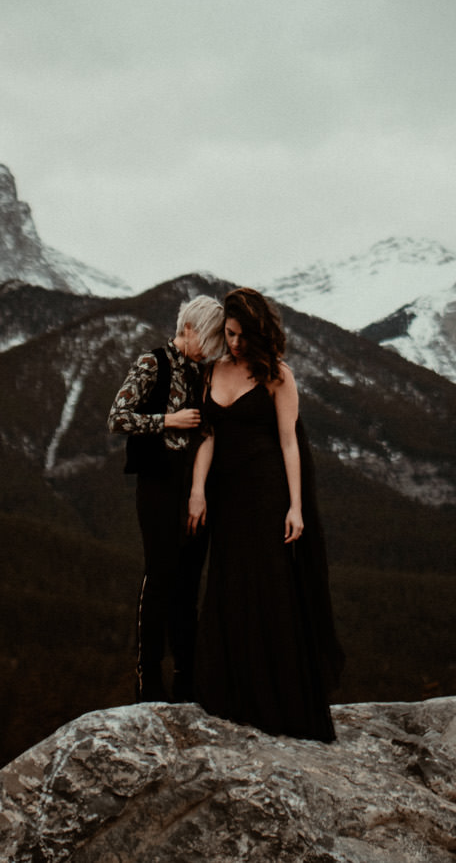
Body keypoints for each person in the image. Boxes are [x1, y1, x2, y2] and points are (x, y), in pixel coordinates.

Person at [188, 285, 344, 741]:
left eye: (241, 335)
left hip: (268, 493)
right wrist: (197, 490)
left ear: (258, 333)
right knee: (229, 582)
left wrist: (296, 507)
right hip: (226, 496)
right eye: (229, 334)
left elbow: (289, 442)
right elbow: (207, 436)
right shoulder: (213, 370)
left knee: (270, 588)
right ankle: (232, 693)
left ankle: (277, 702)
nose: (234, 343)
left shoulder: (278, 376)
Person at [107, 295, 224, 702]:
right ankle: (148, 674)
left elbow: (210, 433)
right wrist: (167, 421)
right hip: (156, 482)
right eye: (208, 338)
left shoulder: (205, 374)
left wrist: (199, 492)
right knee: (160, 574)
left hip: (194, 487)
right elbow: (117, 417)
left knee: (189, 580)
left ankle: (187, 675)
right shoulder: (151, 363)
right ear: (189, 328)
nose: (211, 348)